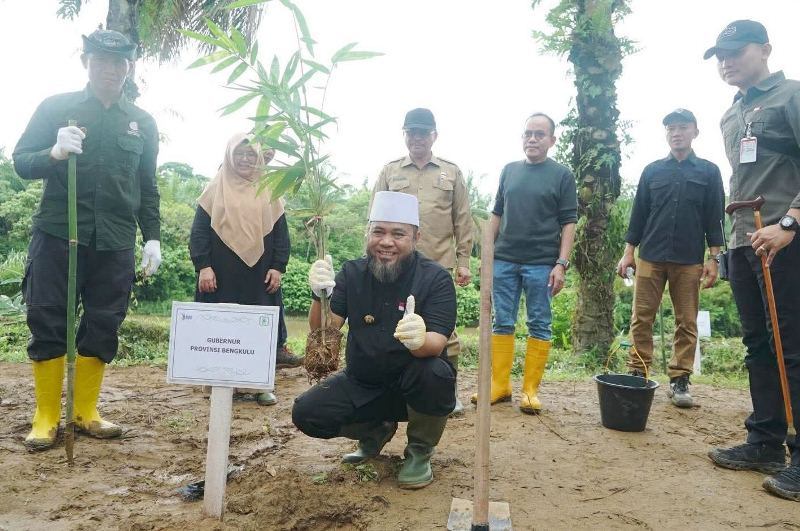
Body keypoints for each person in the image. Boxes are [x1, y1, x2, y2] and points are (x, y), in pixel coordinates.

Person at [13, 29, 162, 449]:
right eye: (101, 61)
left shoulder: (141, 122)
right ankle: (46, 416)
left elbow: (147, 186)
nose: (110, 69)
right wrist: (53, 154)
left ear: (129, 67)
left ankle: (85, 411)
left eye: (119, 62)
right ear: (86, 62)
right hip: (58, 232)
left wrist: (152, 238)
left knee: (103, 322)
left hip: (115, 240)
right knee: (47, 318)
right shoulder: (57, 108)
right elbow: (21, 161)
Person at [292, 191, 457, 489]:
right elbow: (325, 331)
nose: (386, 242)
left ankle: (419, 451)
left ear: (415, 237)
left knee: (435, 373)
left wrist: (419, 339)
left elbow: (437, 342)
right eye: (378, 231)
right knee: (307, 412)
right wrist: (320, 296)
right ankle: (375, 429)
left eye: (398, 234)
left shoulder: (435, 278)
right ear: (368, 234)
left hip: (414, 385)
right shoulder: (351, 273)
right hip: (363, 382)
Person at [703, 20, 800, 501]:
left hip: (784, 239)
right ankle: (765, 441)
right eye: (719, 54)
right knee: (758, 344)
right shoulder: (730, 113)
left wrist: (789, 224)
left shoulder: (791, 96)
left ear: (764, 49)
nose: (725, 61)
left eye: (735, 52)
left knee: (793, 347)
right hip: (744, 242)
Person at [616, 109, 725, 408]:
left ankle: (680, 379)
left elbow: (715, 219)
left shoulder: (708, 171)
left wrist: (714, 258)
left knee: (686, 321)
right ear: (666, 134)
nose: (676, 133)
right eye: (671, 129)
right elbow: (638, 213)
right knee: (642, 318)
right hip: (650, 256)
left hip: (689, 259)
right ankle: (637, 372)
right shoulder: (652, 171)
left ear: (694, 132)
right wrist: (629, 252)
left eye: (682, 128)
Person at [471, 113, 577, 414]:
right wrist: (487, 255)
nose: (532, 139)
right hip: (504, 260)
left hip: (542, 264)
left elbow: (569, 222)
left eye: (539, 134)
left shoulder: (562, 175)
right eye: (528, 133)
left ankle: (530, 391)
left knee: (539, 323)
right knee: (502, 321)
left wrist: (561, 264)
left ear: (551, 140)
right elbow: (496, 214)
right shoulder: (509, 171)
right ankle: (500, 386)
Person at [372, 108, 473, 417]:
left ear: (434, 136)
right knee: (395, 325)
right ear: (405, 135)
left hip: (438, 263)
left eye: (423, 132)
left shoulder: (451, 172)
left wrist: (464, 260)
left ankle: (447, 393)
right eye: (411, 132)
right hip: (397, 264)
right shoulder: (390, 171)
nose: (417, 138)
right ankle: (394, 393)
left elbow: (463, 217)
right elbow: (375, 215)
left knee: (446, 332)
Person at [189, 133, 302, 406]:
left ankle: (259, 385)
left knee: (258, 329)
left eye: (251, 154)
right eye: (239, 154)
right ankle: (216, 384)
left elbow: (280, 234)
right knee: (219, 329)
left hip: (258, 274)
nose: (244, 159)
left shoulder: (269, 189)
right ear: (229, 156)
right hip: (220, 275)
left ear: (259, 158)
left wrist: (278, 267)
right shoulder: (215, 188)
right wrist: (203, 266)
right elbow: (199, 232)